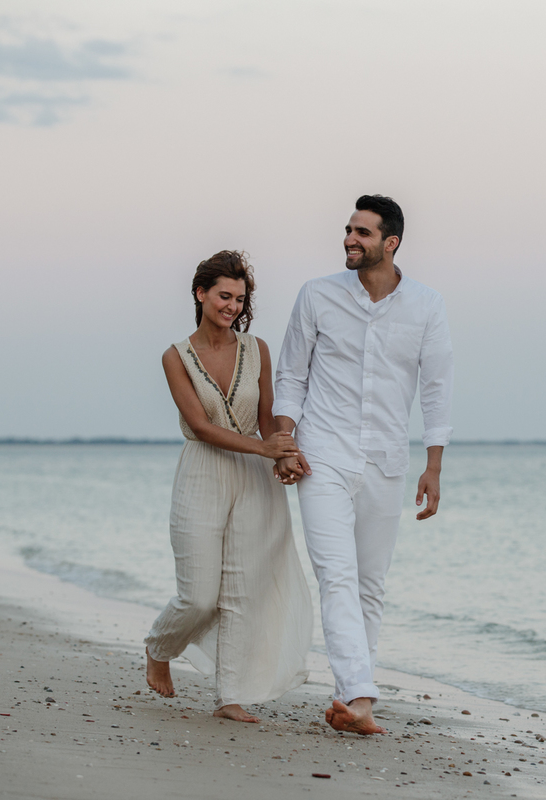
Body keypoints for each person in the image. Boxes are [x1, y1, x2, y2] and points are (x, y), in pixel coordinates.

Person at [273, 195, 454, 734]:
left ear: (390, 242)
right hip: (321, 454)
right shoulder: (317, 296)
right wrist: (285, 440)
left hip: (386, 460)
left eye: (363, 232)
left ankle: (348, 697)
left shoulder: (427, 305)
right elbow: (291, 376)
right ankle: (360, 695)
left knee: (370, 584)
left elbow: (437, 387)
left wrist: (434, 466)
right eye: (348, 229)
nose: (350, 239)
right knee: (337, 575)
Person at [144, 250, 313, 723]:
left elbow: (266, 422)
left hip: (255, 480)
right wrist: (264, 450)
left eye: (240, 298)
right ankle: (160, 647)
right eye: (224, 295)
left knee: (243, 590)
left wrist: (285, 456)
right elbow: (199, 425)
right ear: (200, 293)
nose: (233, 306)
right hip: (203, 472)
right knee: (198, 595)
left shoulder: (256, 349)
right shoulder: (175, 356)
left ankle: (229, 695)